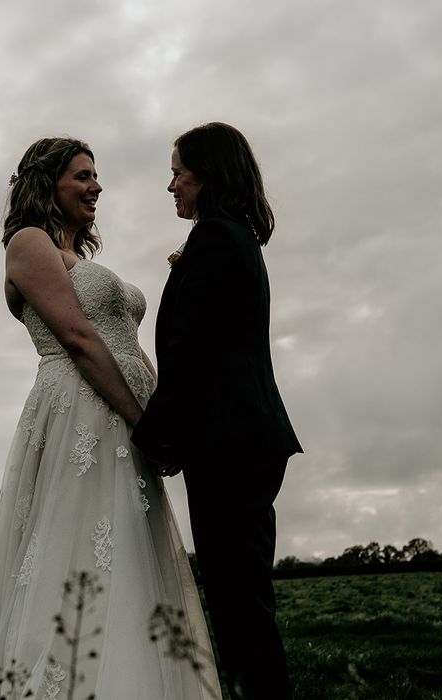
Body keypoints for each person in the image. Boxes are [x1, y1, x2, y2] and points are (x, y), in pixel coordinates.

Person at [0, 137, 220, 699]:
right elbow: (79, 338)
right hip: (82, 416)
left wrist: (166, 417)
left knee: (129, 555)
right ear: (48, 182)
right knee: (79, 553)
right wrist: (143, 420)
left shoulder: (80, 260)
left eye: (96, 176)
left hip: (125, 420)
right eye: (83, 176)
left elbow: (128, 346)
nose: (97, 186)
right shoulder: (28, 242)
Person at [131, 122, 303, 700]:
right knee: (240, 600)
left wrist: (150, 437)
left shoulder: (218, 240)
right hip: (242, 441)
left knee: (240, 608)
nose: (172, 185)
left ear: (206, 176)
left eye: (178, 172)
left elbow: (192, 353)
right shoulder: (233, 237)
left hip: (231, 444)